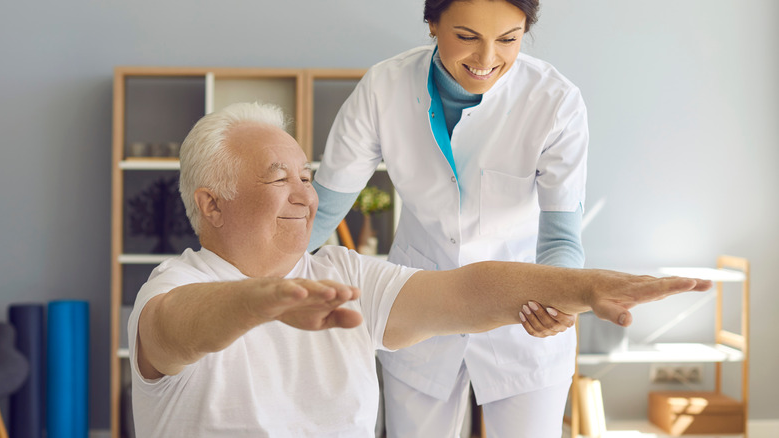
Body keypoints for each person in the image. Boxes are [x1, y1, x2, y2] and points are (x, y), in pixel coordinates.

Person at [128, 102, 710, 437]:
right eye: (279, 179)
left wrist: (585, 285)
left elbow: (465, 290)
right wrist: (261, 300)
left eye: (307, 176)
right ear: (212, 203)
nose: (305, 195)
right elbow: (179, 328)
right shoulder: (179, 285)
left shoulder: (343, 269)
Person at [309, 0, 588, 436]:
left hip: (523, 321)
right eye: (467, 37)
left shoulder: (555, 102)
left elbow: (561, 242)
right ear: (432, 23)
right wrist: (242, 283)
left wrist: (559, 296)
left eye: (508, 40)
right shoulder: (385, 87)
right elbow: (322, 211)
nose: (486, 59)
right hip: (420, 307)